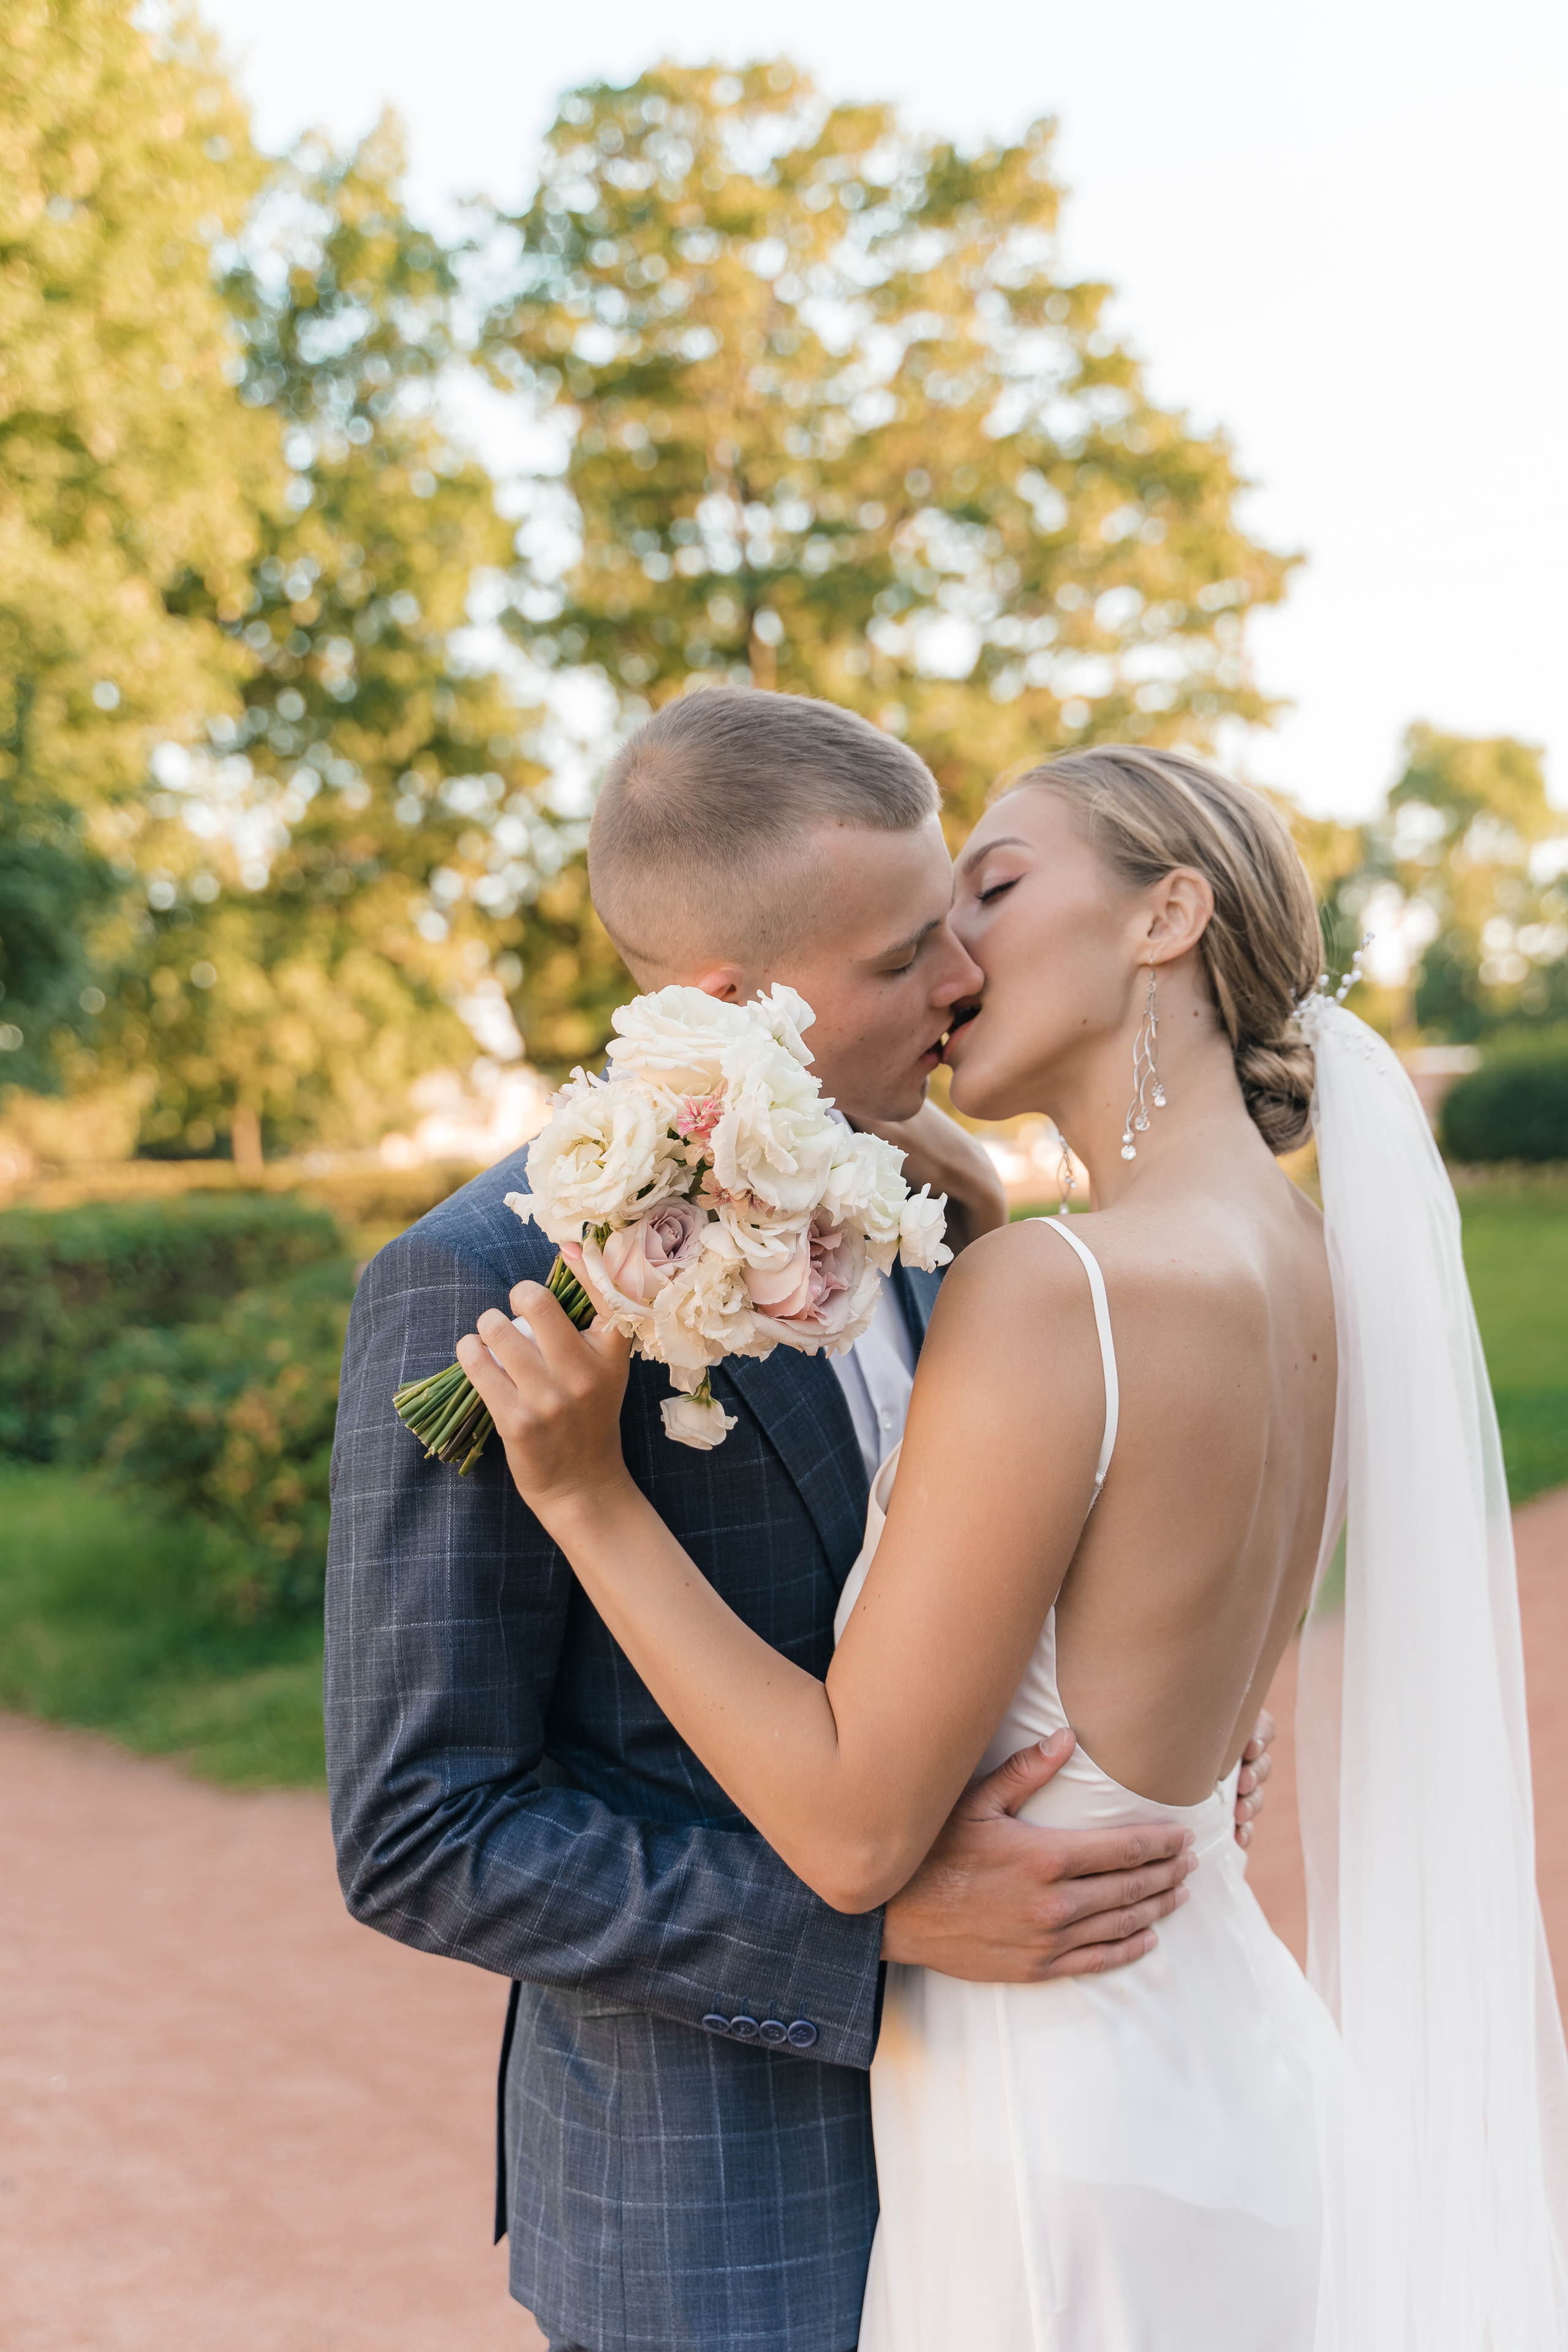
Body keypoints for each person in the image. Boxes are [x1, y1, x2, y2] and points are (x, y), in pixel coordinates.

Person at [461, 742, 1568, 2348]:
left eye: (993, 888)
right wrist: (985, 1225)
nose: (958, 958)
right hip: (1232, 2071)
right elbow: (1142, 1635)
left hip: (1061, 2140)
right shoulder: (1314, 1271)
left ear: (1164, 916)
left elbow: (852, 1834)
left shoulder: (1056, 1297)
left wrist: (584, 1495)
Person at [325, 698, 1275, 2352]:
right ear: (730, 1005)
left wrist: (1147, 1692)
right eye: (908, 954)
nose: (962, 982)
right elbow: (421, 1832)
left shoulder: (929, 1209)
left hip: (1025, 2143)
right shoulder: (484, 1287)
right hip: (720, 2217)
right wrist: (876, 1927)